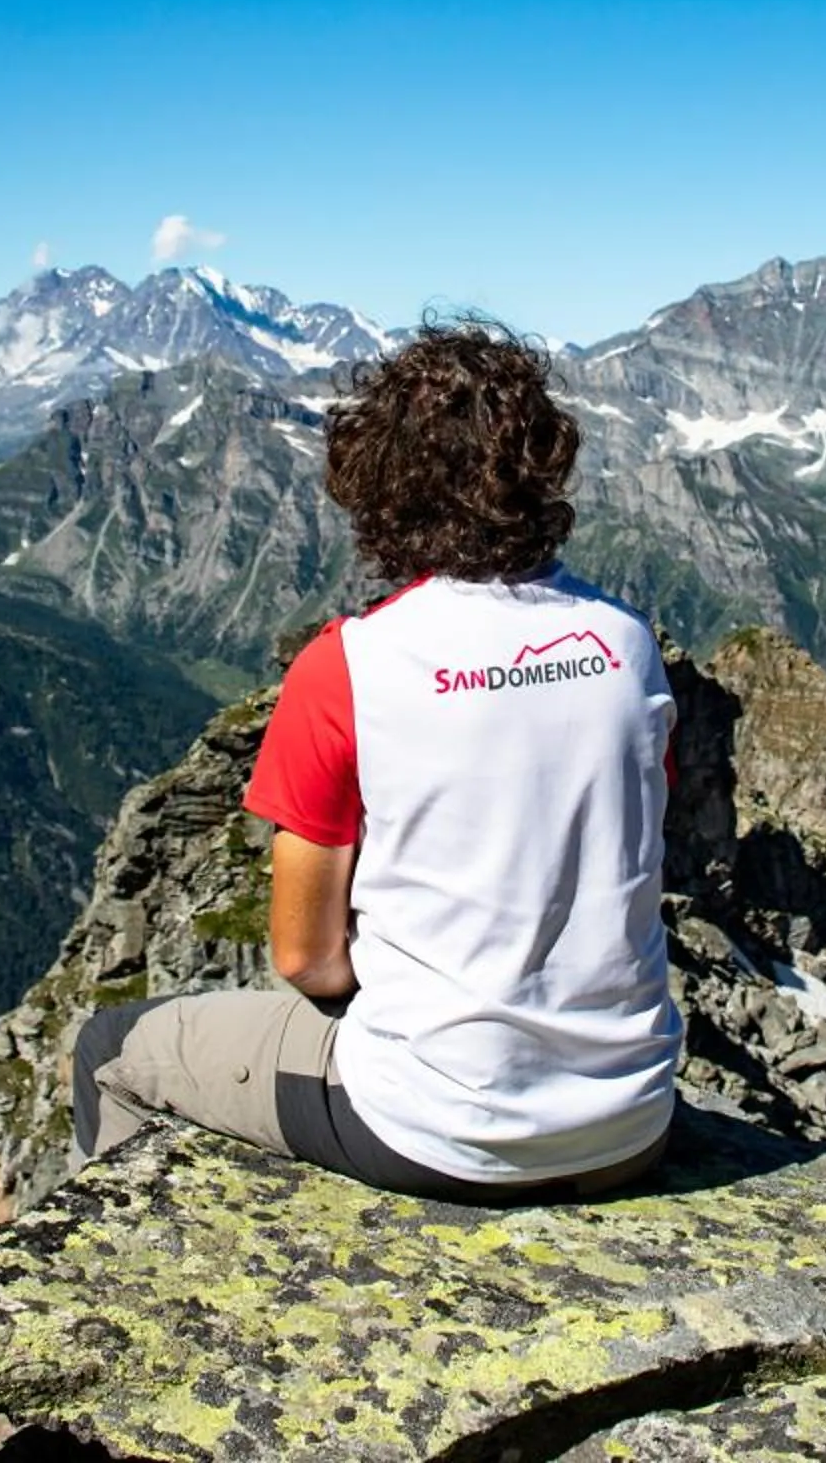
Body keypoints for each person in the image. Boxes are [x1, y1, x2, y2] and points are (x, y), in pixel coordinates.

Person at [67, 323, 683, 1202]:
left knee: (109, 1052)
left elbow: (307, 960)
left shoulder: (351, 665)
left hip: (436, 1128)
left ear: (384, 487)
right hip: (633, 1122)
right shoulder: (627, 645)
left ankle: (141, 1302)